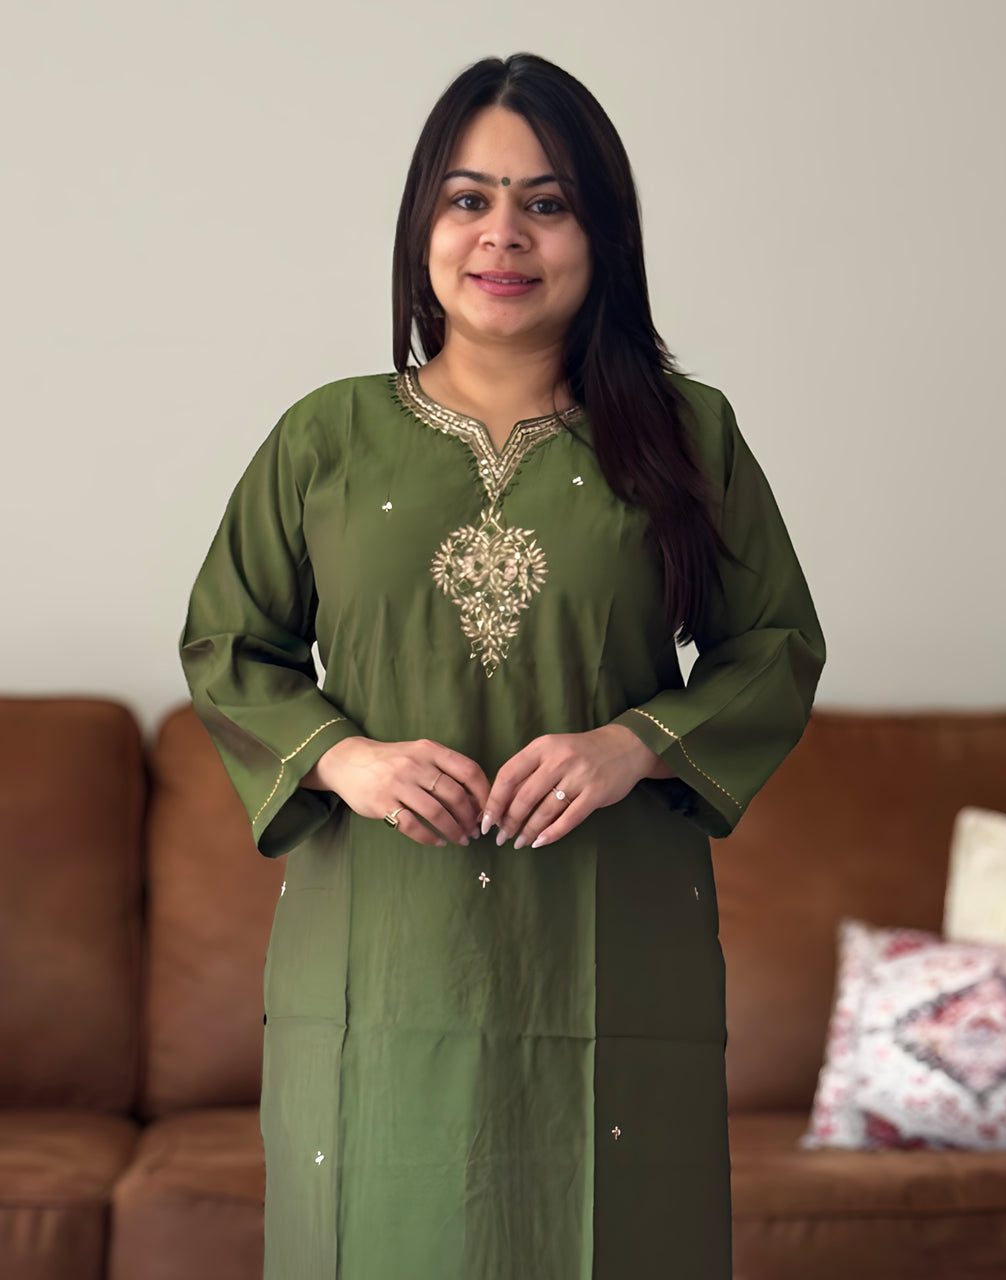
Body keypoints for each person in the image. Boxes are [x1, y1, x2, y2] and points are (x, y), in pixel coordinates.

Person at [180, 52, 825, 1280]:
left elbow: (775, 646)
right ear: (424, 224)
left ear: (602, 234)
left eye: (547, 201)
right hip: (380, 940)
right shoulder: (327, 434)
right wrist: (347, 758)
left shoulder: (690, 437)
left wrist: (633, 742)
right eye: (468, 199)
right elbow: (227, 644)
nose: (503, 236)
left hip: (612, 934)